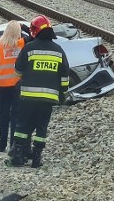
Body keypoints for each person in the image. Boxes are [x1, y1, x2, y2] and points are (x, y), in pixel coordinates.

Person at [6, 15, 69, 168]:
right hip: (48, 100)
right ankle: (36, 159)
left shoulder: (29, 48)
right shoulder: (59, 51)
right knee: (41, 128)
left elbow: (18, 71)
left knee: (22, 126)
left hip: (28, 97)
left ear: (34, 31)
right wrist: (62, 94)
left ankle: (18, 157)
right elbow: (65, 79)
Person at [0, 21, 28, 153]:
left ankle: (1, 145)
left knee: (4, 114)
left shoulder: (0, 45)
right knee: (15, 115)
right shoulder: (23, 43)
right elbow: (34, 37)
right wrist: (24, 27)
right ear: (18, 32)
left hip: (2, 85)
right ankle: (13, 144)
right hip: (17, 85)